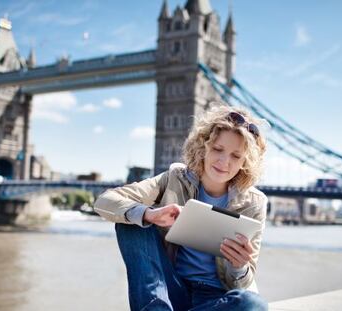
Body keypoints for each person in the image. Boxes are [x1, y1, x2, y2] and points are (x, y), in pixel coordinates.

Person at [94, 104, 269, 311]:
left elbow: (240, 284)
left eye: (235, 156)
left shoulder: (254, 203)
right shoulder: (174, 178)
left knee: (252, 304)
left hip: (215, 298)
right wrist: (149, 214)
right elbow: (105, 201)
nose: (224, 161)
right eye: (218, 149)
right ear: (204, 146)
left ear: (245, 162)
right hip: (169, 289)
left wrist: (239, 267)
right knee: (131, 220)